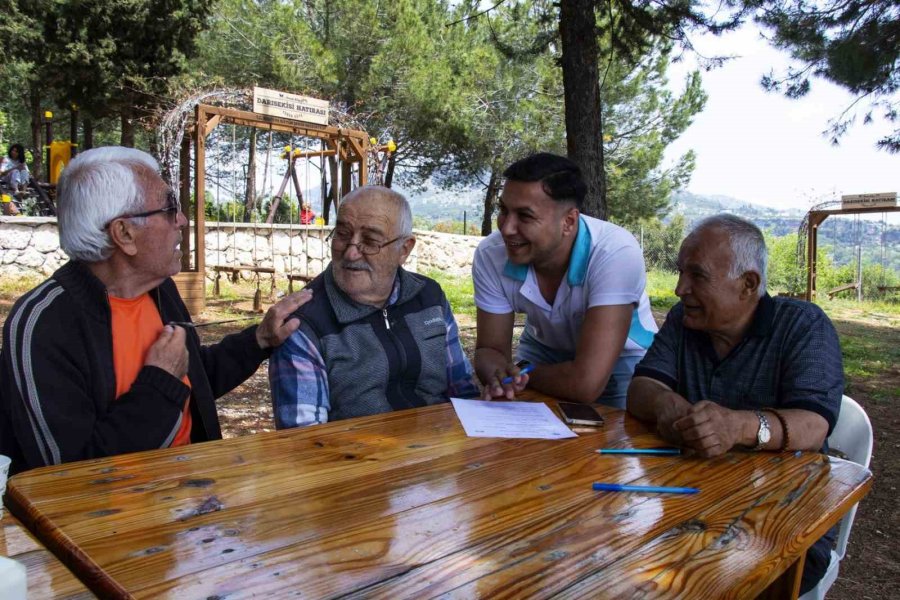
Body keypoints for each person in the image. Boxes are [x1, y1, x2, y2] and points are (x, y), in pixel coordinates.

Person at [0, 147, 310, 476]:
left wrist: (259, 340)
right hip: (108, 520)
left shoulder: (159, 290)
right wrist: (160, 383)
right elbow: (71, 473)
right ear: (124, 234)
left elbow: (191, 379)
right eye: (169, 209)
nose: (182, 220)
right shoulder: (45, 325)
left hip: (188, 494)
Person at [626, 213, 843, 595]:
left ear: (748, 284)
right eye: (680, 273)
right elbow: (642, 386)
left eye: (697, 276)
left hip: (781, 520)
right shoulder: (684, 321)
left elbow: (813, 424)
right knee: (628, 563)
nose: (679, 289)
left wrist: (738, 427)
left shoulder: (803, 326)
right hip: (691, 505)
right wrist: (672, 410)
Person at [269, 185, 479, 427]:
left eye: (370, 241)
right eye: (343, 234)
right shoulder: (303, 322)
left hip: (438, 449)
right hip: (356, 459)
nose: (350, 253)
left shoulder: (429, 296)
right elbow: (303, 438)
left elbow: (463, 391)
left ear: (405, 249)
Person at [473, 152, 657, 408]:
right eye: (503, 210)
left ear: (568, 221)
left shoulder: (614, 252)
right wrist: (499, 376)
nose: (506, 228)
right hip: (544, 351)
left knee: (617, 439)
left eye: (525, 216)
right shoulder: (492, 253)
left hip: (622, 358)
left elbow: (586, 383)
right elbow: (489, 349)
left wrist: (522, 374)